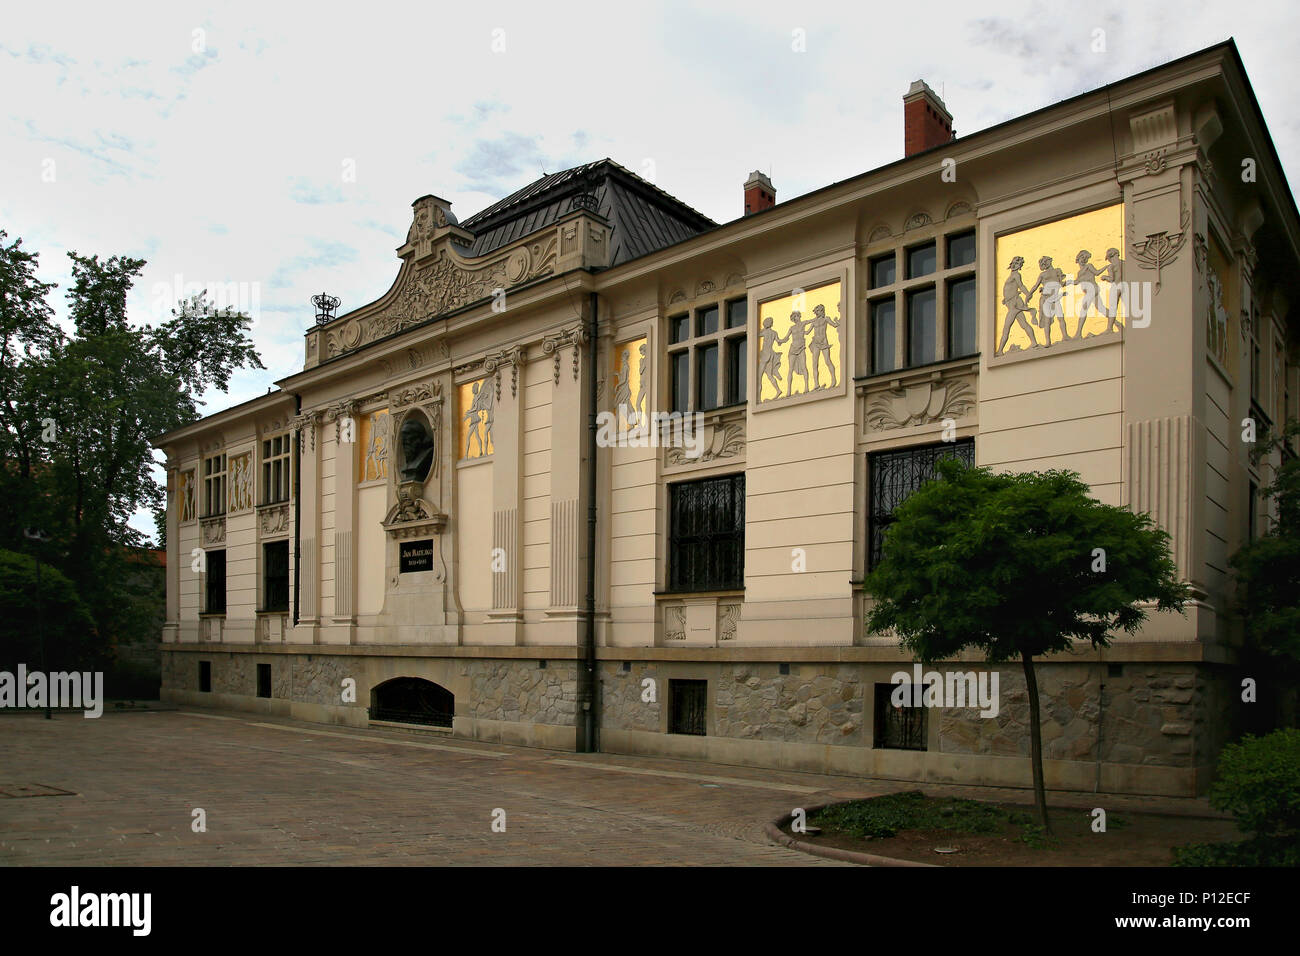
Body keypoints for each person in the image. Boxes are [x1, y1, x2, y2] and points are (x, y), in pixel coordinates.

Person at [996, 256, 1038, 354]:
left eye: (1018, 264)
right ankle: (1034, 342)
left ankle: (1000, 351)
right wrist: (1005, 299)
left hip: (1015, 304)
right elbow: (1010, 288)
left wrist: (1028, 293)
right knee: (1024, 324)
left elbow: (1021, 286)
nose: (1015, 265)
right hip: (1011, 303)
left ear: (1020, 266)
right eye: (1014, 262)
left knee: (1006, 327)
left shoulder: (1016, 275)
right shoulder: (1011, 275)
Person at [1026, 255, 1068, 346]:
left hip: (1056, 297)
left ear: (1050, 261)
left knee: (1061, 317)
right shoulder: (1042, 274)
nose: (1046, 263)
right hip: (1046, 299)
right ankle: (1048, 341)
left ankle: (1065, 336)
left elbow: (1061, 283)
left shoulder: (1057, 271)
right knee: (1047, 321)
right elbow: (1035, 286)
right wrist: (1029, 295)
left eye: (1047, 261)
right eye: (1044, 262)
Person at [1072, 249, 1106, 339]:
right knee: (1101, 308)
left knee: (1083, 310)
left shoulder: (1088, 266)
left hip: (1092, 289)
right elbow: (1076, 282)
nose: (1084, 259)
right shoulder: (1079, 272)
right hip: (1090, 291)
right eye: (1082, 257)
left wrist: (1106, 267)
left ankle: (1078, 334)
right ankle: (1117, 324)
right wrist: (1064, 283)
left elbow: (1097, 272)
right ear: (1078, 258)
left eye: (1086, 258)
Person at [806, 303, 839, 388]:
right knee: (814, 363)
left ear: (822, 311)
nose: (816, 313)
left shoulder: (826, 319)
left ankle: (834, 380)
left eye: (818, 311)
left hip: (824, 342)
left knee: (827, 361)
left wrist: (837, 320)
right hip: (816, 343)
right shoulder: (814, 322)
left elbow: (835, 325)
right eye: (816, 311)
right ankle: (816, 384)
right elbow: (807, 332)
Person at [777, 310, 810, 394]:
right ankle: (788, 390)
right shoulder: (792, 328)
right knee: (790, 369)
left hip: (801, 347)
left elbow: (813, 321)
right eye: (794, 317)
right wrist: (780, 341)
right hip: (793, 349)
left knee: (804, 366)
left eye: (797, 316)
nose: (796, 318)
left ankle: (806, 387)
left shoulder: (803, 323)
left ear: (799, 316)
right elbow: (786, 338)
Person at [758, 316, 784, 398]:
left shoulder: (765, 332)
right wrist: (785, 339)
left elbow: (756, 334)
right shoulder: (774, 333)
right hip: (771, 354)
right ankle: (778, 390)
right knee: (769, 375)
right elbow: (779, 341)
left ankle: (758, 397)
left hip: (765, 355)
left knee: (759, 376)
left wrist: (763, 329)